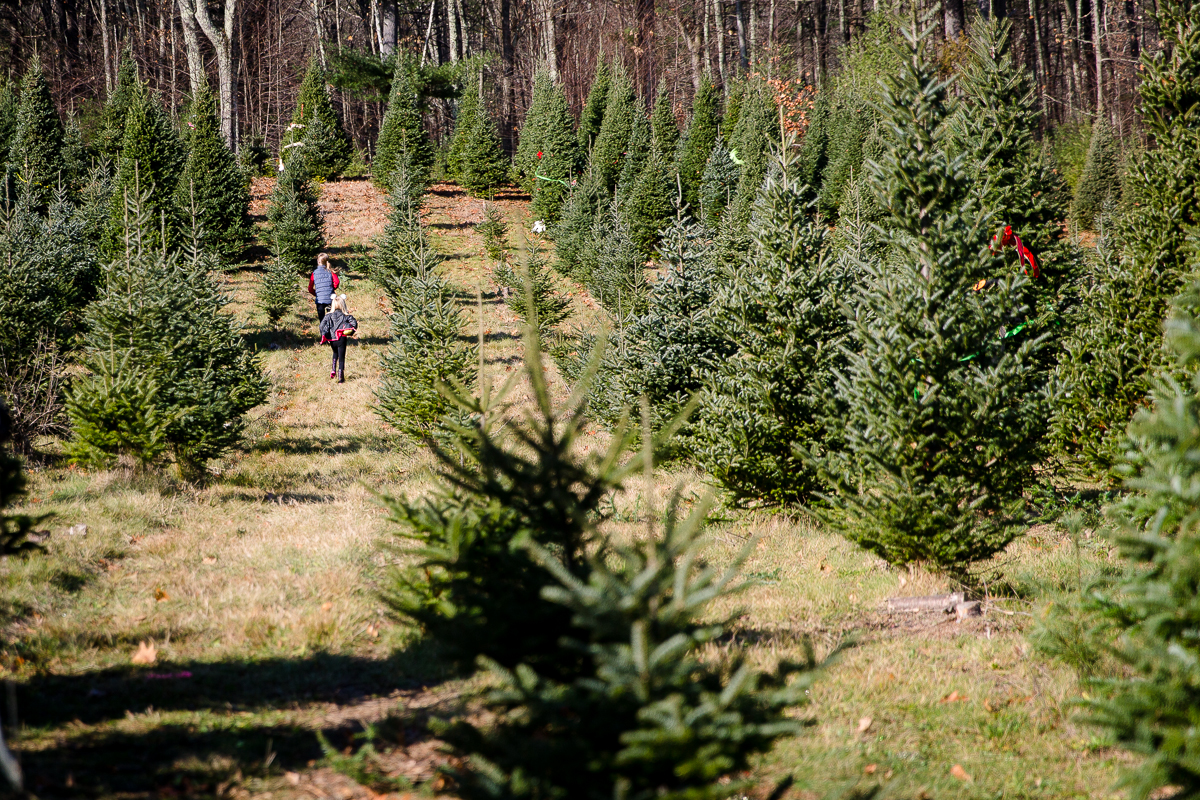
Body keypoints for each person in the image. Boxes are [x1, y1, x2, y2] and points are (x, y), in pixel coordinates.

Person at [319, 294, 358, 383]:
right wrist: (350, 330)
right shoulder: (346, 316)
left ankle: (333, 369)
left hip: (332, 339)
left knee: (335, 352)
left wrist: (325, 334)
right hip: (342, 338)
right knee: (341, 357)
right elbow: (354, 323)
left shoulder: (328, 316)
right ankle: (341, 378)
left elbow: (321, 325)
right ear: (343, 305)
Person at [308, 253, 340, 322]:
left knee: (322, 321)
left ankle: (323, 332)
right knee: (332, 319)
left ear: (318, 261)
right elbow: (337, 282)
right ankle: (332, 331)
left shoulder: (314, 273)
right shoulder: (330, 272)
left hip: (320, 300)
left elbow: (310, 288)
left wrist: (317, 293)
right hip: (330, 299)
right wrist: (331, 288)